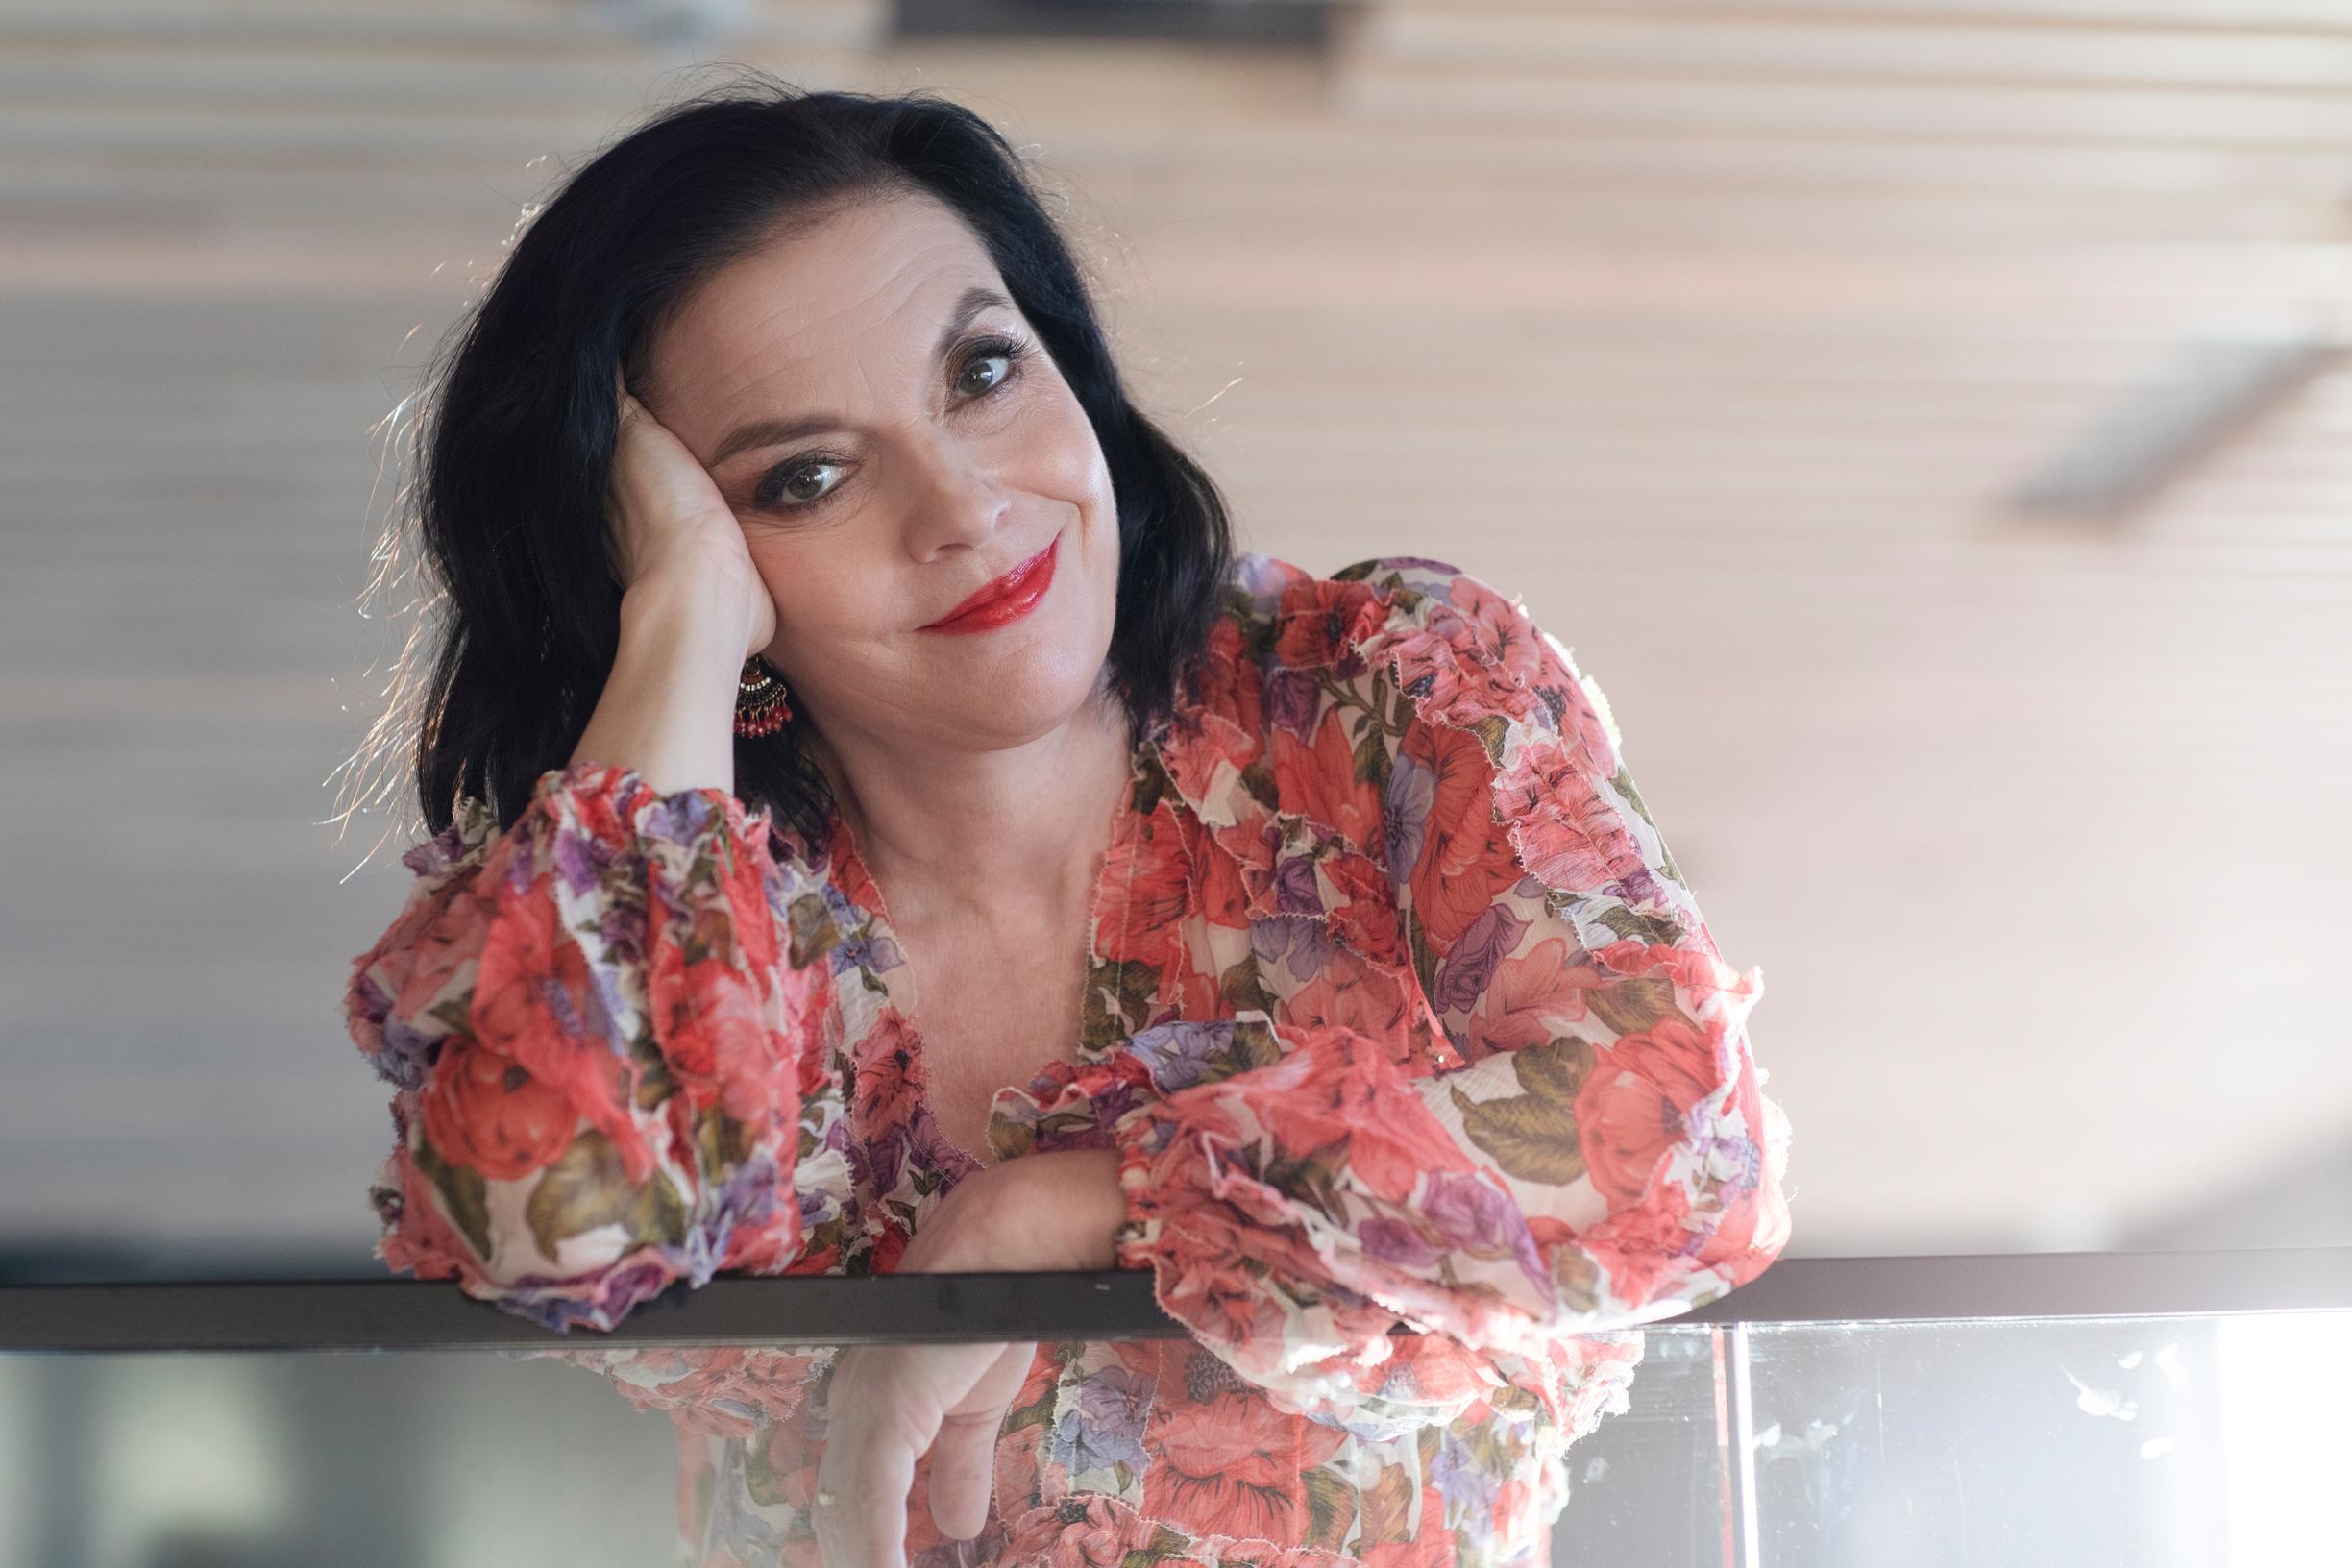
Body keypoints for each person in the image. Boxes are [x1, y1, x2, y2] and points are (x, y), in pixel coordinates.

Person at [340, 76, 1794, 1568]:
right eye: (806, 478)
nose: (960, 507)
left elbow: (1692, 1153)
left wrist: (1075, 1210)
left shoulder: (1378, 695)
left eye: (981, 373)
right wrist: (682, 621)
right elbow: (556, 1224)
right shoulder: (669, 895)